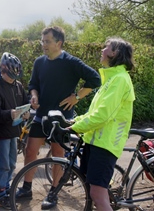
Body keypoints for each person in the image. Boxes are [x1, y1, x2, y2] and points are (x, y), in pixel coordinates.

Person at [16, 26, 101, 210]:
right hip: (41, 116)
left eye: (47, 41)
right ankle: (26, 188)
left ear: (58, 43)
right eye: (42, 41)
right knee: (30, 151)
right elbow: (33, 85)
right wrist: (34, 96)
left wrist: (76, 97)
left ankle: (53, 193)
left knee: (58, 156)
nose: (43, 45)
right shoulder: (39, 62)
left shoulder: (71, 62)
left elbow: (95, 79)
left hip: (61, 119)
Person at [68, 38, 135, 210]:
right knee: (92, 190)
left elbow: (103, 115)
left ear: (115, 53)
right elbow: (94, 112)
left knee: (98, 193)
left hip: (106, 143)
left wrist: (75, 128)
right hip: (95, 140)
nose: (102, 50)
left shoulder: (120, 79)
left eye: (106, 47)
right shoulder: (111, 79)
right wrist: (75, 120)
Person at [0, 52, 30, 209]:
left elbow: (25, 103)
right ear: (4, 69)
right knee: (3, 164)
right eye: (12, 73)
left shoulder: (18, 86)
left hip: (14, 131)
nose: (14, 78)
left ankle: (6, 188)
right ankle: (1, 195)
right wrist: (9, 113)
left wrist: (27, 113)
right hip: (1, 133)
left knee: (12, 163)